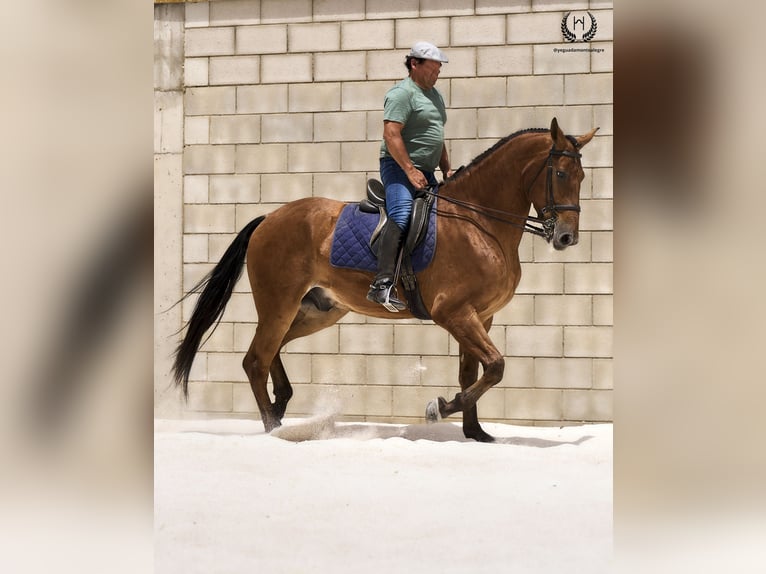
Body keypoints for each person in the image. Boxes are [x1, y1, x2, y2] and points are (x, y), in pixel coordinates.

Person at [367, 41, 454, 310]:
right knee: (403, 214)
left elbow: (436, 137)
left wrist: (445, 169)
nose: (438, 71)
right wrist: (409, 170)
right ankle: (381, 284)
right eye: (434, 66)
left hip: (426, 170)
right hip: (398, 168)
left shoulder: (435, 95)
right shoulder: (402, 94)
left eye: (439, 67)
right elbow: (391, 134)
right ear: (414, 64)